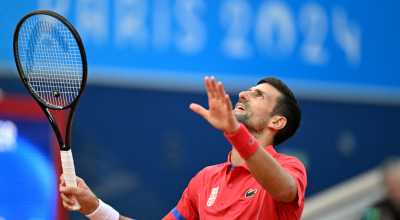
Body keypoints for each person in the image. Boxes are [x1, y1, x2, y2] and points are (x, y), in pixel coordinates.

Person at [59, 76, 307, 220]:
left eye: (259, 95)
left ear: (277, 121)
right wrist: (95, 208)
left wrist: (235, 132)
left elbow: (285, 190)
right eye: (249, 90)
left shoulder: (289, 168)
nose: (243, 94)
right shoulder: (205, 180)